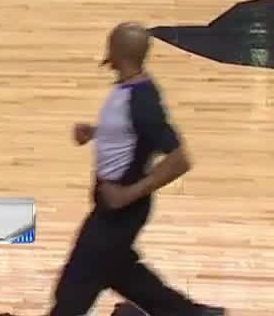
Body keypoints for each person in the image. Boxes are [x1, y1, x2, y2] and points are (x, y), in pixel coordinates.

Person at [42, 23, 224, 316]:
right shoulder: (130, 88)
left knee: (73, 290)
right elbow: (129, 132)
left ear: (116, 51)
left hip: (121, 211)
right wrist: (96, 132)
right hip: (112, 208)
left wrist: (128, 194)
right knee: (124, 274)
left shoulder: (143, 102)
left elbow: (180, 160)